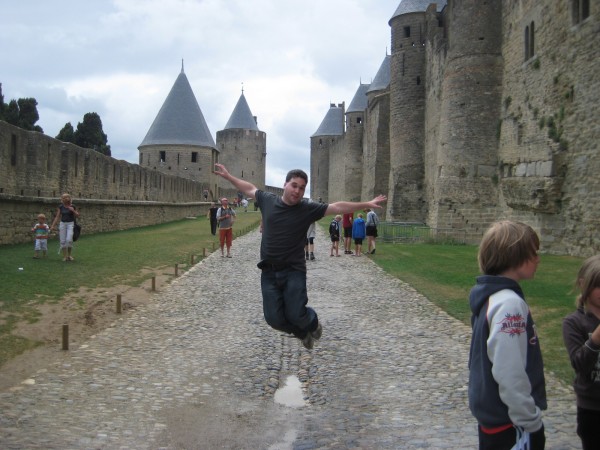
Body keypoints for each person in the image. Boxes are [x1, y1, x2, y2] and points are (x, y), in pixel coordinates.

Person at [213, 163, 386, 350]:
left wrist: (367, 204)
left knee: (297, 314)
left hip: (293, 270)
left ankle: (312, 324)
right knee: (273, 319)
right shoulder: (268, 200)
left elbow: (337, 207)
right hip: (268, 271)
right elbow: (250, 188)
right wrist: (229, 177)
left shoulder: (307, 208)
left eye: (302, 188)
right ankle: (303, 333)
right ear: (285, 184)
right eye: (294, 185)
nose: (297, 191)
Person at [468, 220, 546, 450]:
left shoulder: (493, 298)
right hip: (509, 422)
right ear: (515, 255)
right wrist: (530, 420)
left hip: (494, 417)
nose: (538, 259)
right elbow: (509, 370)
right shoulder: (509, 304)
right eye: (533, 253)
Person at [562, 254, 600, 450]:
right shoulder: (574, 322)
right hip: (592, 407)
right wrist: (594, 339)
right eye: (598, 285)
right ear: (584, 284)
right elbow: (579, 364)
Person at [50, 193, 80, 262]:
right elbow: (57, 217)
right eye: (63, 197)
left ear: (69, 198)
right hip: (63, 224)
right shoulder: (61, 207)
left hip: (70, 224)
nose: (65, 198)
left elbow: (78, 215)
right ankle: (65, 257)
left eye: (66, 197)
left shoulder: (73, 206)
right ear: (62, 199)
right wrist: (52, 226)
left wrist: (73, 210)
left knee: (69, 239)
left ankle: (69, 255)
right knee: (62, 241)